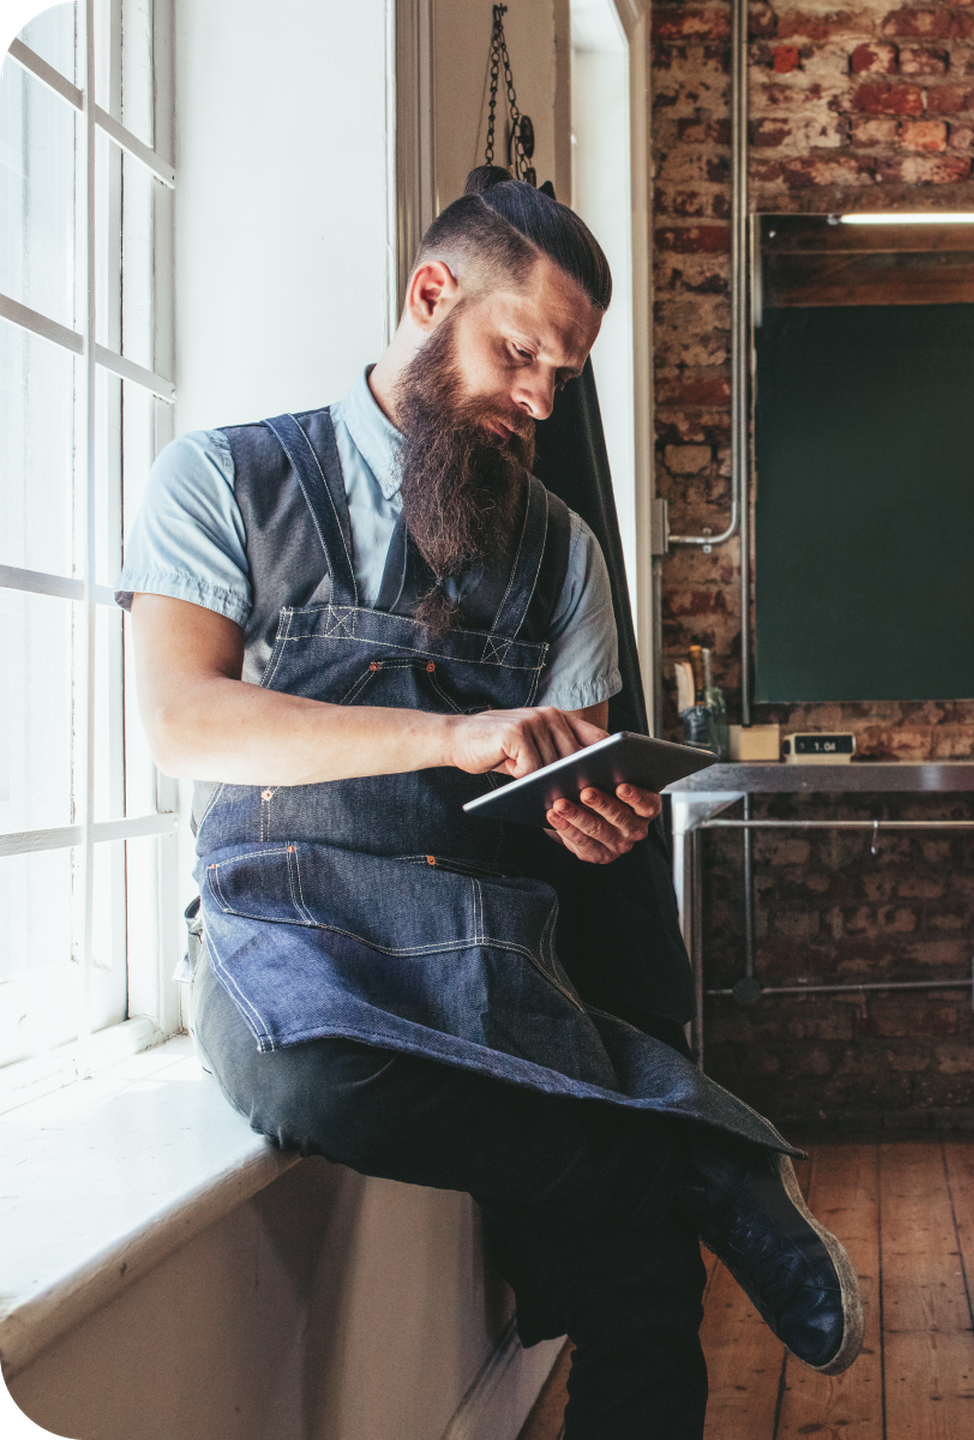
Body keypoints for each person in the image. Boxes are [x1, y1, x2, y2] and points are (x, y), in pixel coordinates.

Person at [116, 167, 860, 1438]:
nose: (536, 400)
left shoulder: (565, 552)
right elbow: (184, 721)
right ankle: (688, 1157)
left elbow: (554, 786)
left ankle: (665, 1176)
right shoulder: (220, 478)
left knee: (643, 1290)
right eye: (520, 353)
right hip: (287, 930)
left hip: (484, 944)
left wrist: (583, 814)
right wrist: (458, 732)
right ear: (429, 294)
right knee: (317, 1086)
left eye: (561, 376)